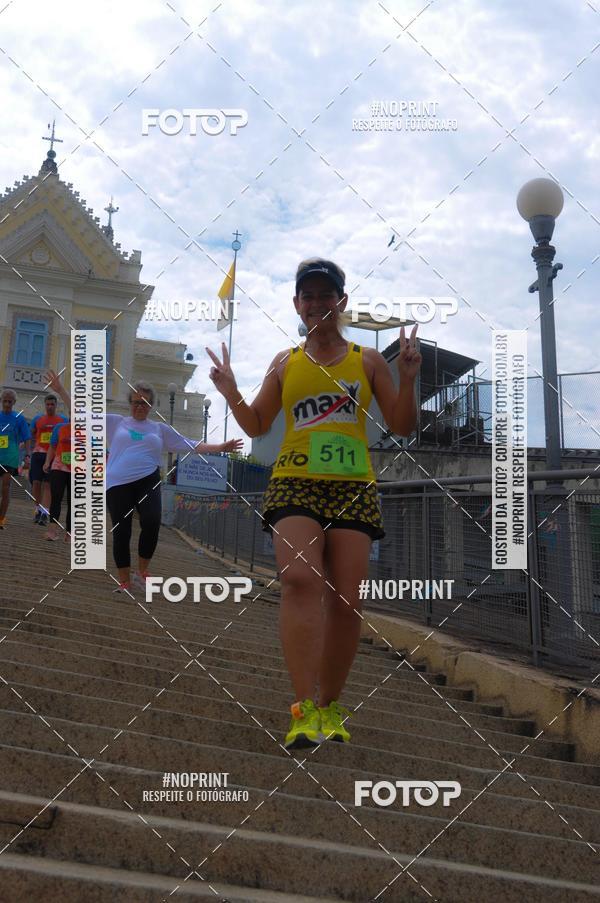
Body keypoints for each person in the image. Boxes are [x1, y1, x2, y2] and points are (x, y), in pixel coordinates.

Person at [206, 257, 422, 749]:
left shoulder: (366, 360)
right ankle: (303, 709)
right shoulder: (285, 362)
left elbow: (402, 425)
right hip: (295, 481)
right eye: (310, 295)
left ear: (341, 302)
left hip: (352, 486)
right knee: (300, 579)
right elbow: (257, 424)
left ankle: (329, 708)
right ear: (297, 305)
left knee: (347, 601)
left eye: (328, 295)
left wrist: (407, 379)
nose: (319, 303)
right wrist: (231, 391)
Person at [45, 371, 243, 595]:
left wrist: (219, 447)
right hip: (117, 483)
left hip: (148, 479)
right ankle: (124, 581)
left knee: (152, 520)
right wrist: (61, 389)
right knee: (123, 531)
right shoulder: (116, 422)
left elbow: (190, 444)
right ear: (130, 403)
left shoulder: (159, 429)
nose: (140, 406)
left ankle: (142, 572)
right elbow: (81, 415)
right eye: (137, 402)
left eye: (145, 403)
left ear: (151, 406)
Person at [30, 394, 68, 526]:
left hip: (52, 456)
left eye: (52, 404)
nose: (50, 407)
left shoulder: (63, 420)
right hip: (38, 454)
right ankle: (37, 509)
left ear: (56, 405)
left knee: (48, 485)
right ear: (45, 405)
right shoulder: (37, 418)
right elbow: (33, 433)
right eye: (48, 404)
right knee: (35, 483)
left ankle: (44, 513)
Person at [0, 388, 31, 529]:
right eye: (5, 401)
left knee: (5, 488)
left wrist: (28, 455)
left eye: (9, 402)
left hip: (10, 458)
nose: (7, 404)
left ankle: (1, 519)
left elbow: (27, 437)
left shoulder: (19, 418)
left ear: (14, 402)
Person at [42, 419, 71, 543]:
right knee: (56, 498)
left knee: (74, 502)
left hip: (79, 470)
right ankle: (52, 531)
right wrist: (47, 462)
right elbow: (52, 446)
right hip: (59, 467)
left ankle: (69, 534)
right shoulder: (59, 427)